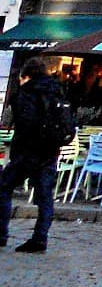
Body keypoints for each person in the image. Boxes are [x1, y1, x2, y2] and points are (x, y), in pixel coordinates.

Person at [0, 57, 65, 252]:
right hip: (50, 151)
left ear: (26, 76)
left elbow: (24, 123)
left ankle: (1, 232)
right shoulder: (56, 90)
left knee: (4, 187)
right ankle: (40, 238)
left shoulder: (27, 93)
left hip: (28, 152)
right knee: (45, 196)